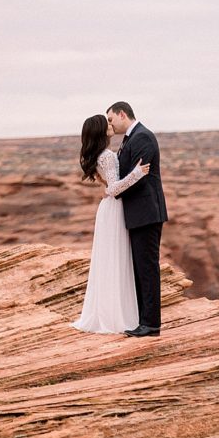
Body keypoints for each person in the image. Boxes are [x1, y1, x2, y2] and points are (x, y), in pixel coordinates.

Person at [72, 114, 150, 334]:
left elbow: (108, 186)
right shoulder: (106, 155)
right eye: (105, 122)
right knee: (115, 260)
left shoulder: (100, 154)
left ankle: (111, 312)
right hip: (114, 209)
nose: (110, 125)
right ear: (99, 129)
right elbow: (114, 189)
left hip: (108, 209)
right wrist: (136, 174)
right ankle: (116, 317)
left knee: (110, 261)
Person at [105, 101, 169, 337]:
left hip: (146, 213)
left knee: (147, 267)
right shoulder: (131, 138)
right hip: (140, 213)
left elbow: (139, 177)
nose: (110, 124)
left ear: (123, 114)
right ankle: (144, 320)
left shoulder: (142, 137)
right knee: (140, 267)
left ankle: (151, 324)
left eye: (112, 119)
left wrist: (116, 189)